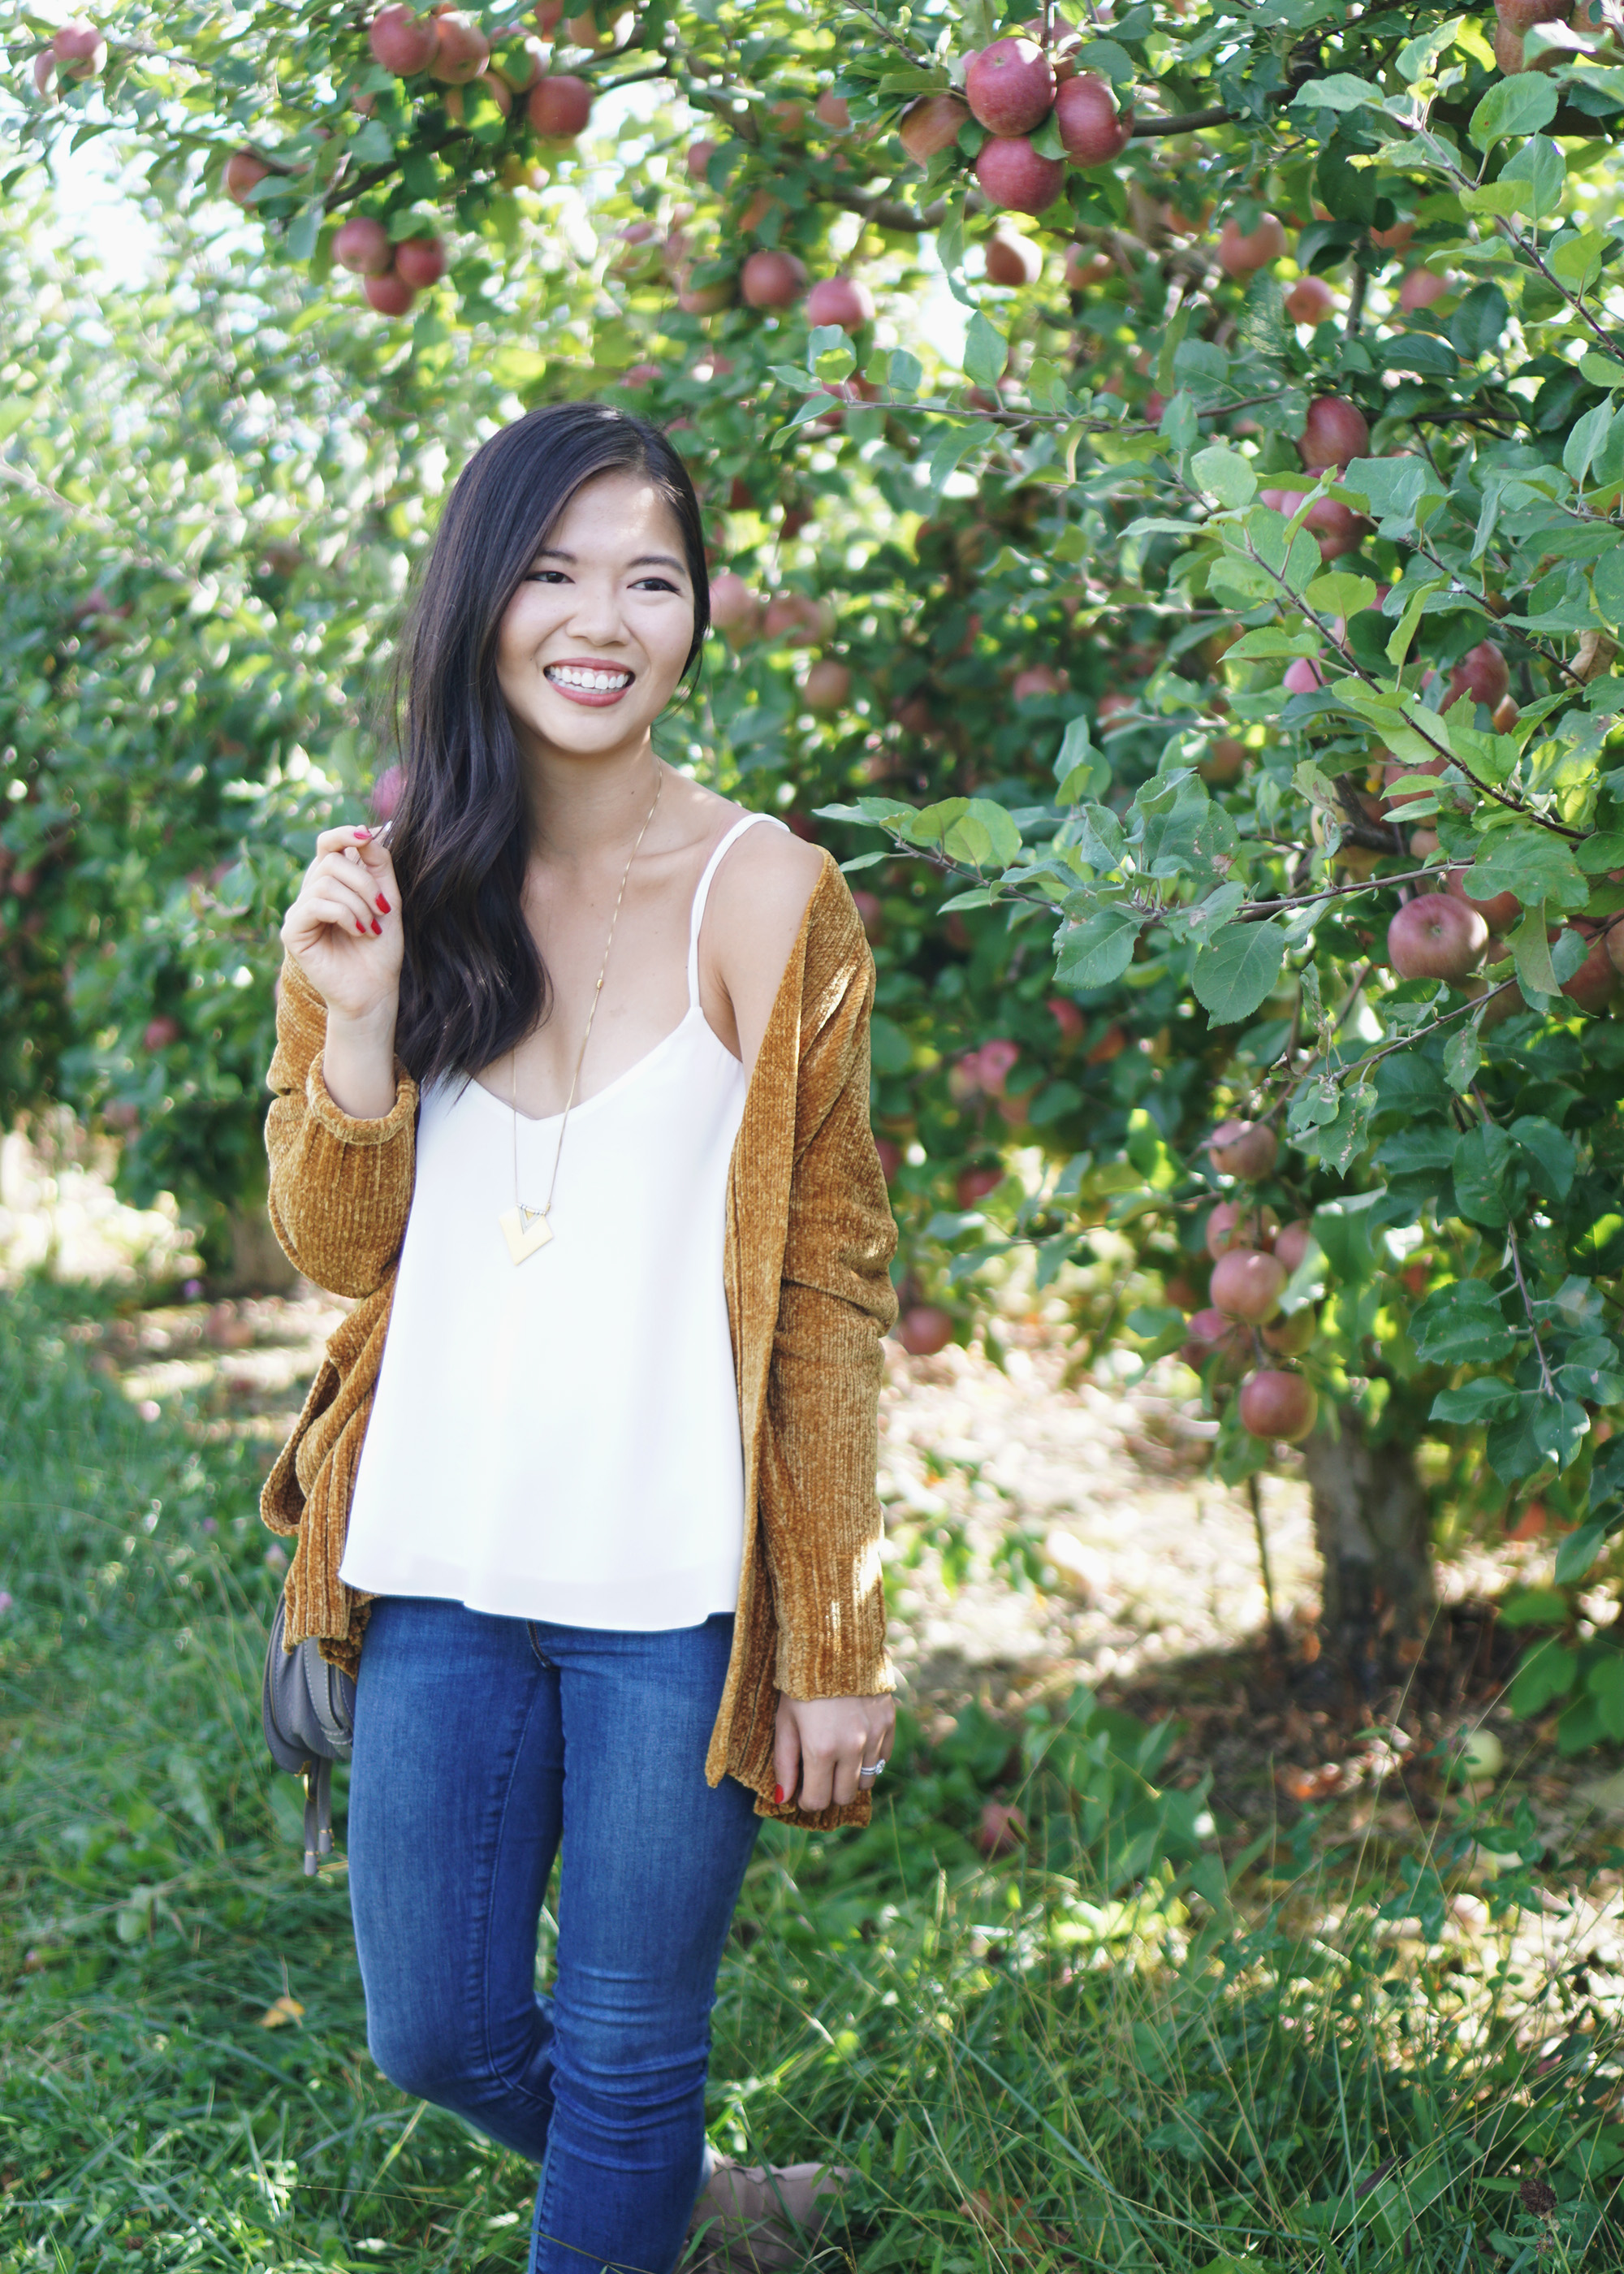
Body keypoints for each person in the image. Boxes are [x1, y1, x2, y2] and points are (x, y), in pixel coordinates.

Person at [259, 401, 899, 2274]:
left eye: (648, 573)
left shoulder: (768, 891)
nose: (598, 616)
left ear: (698, 610)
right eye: (551, 570)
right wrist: (358, 1025)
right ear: (480, 597)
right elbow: (330, 1245)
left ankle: (641, 2175)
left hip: (677, 1590)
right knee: (434, 2028)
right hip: (438, 1559)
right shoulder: (384, 877)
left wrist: (836, 1630)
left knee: (627, 2057)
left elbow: (838, 1284)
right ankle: (681, 2198)